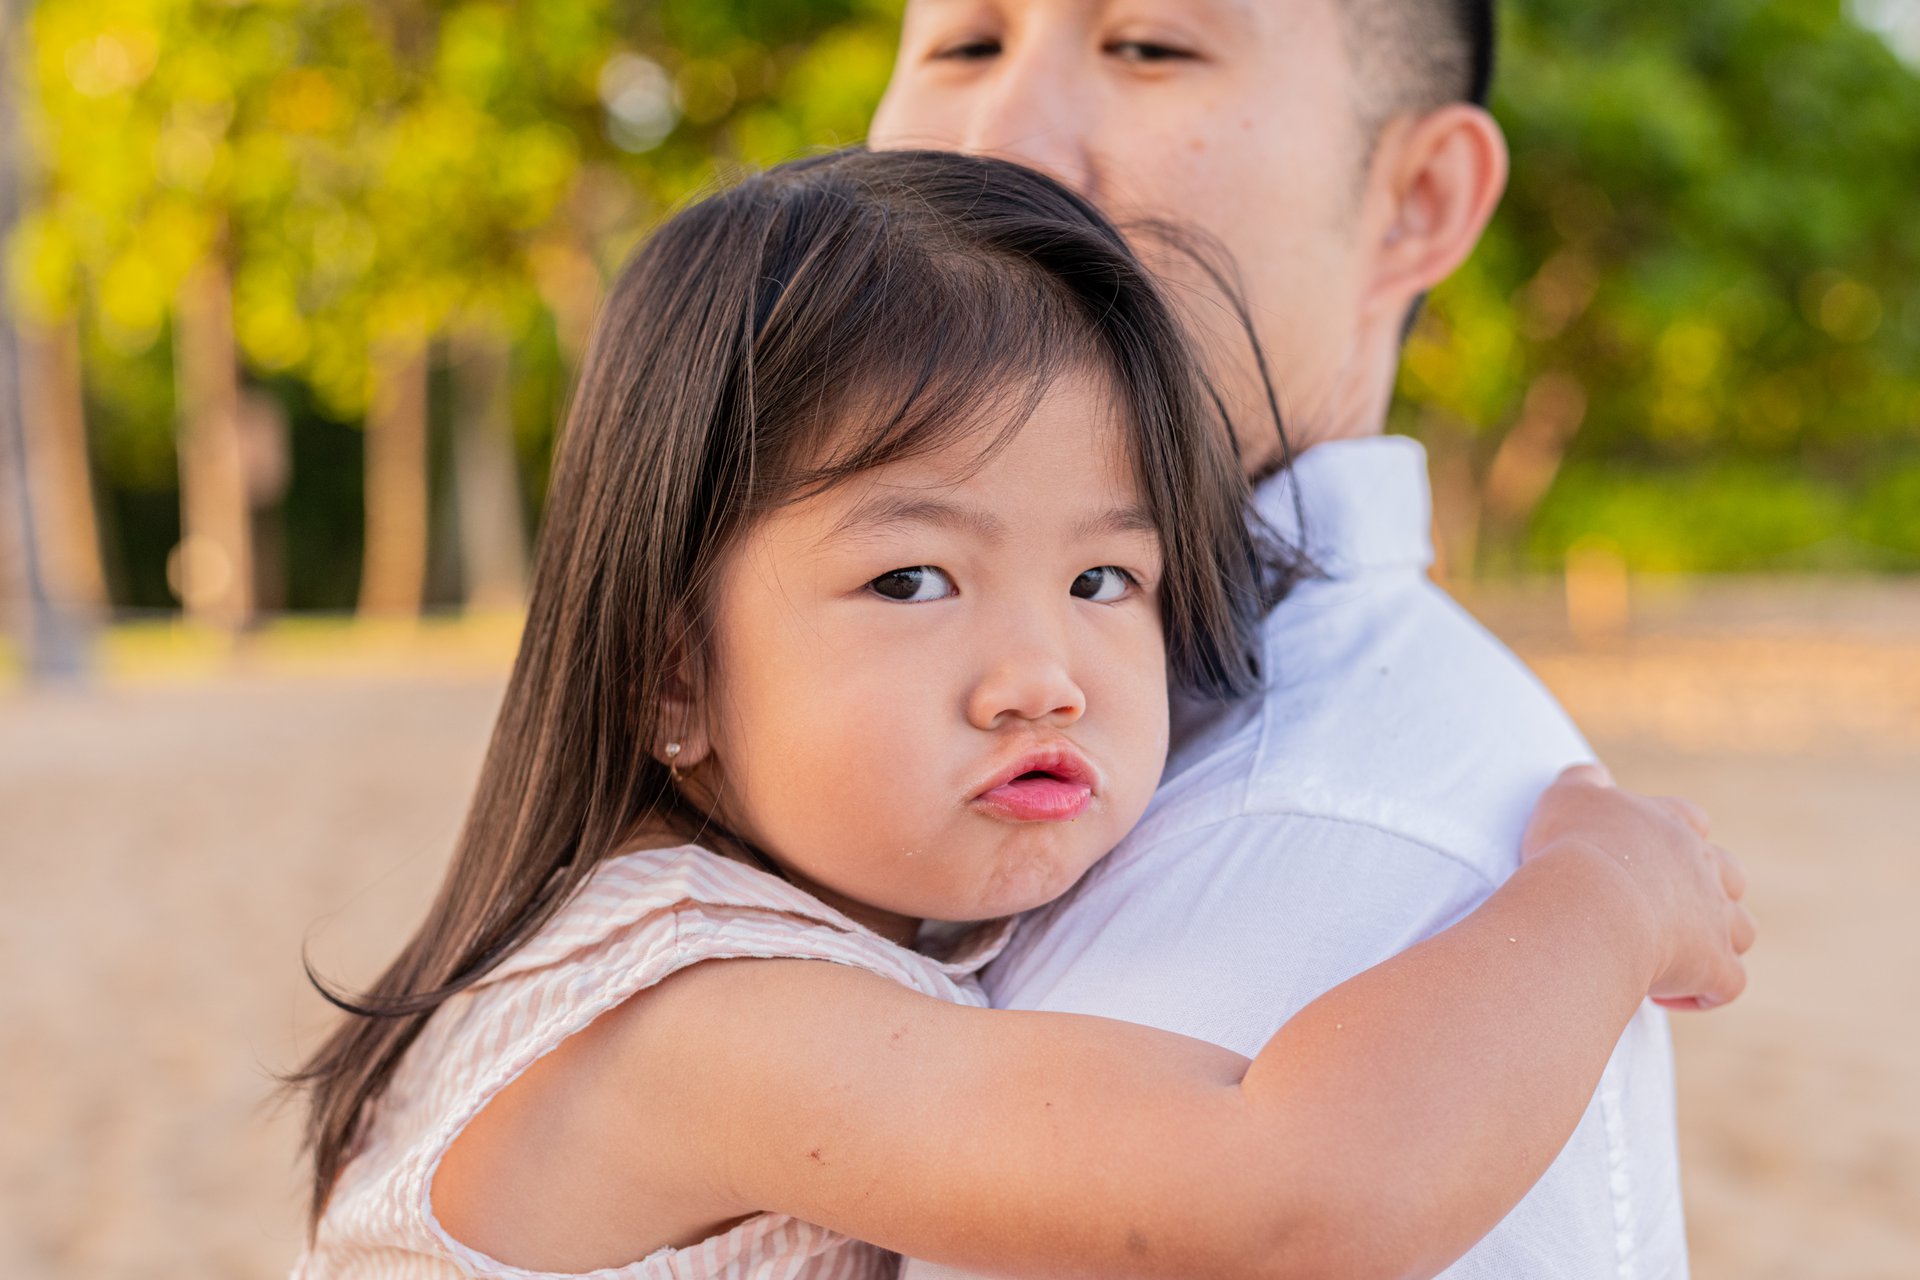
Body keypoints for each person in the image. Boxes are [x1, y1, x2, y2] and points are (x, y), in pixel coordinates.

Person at [287, 149, 1751, 1280]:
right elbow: (1301, 1193)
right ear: (673, 675)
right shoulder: (710, 1025)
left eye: (1105, 578)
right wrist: (1605, 894)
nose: (1043, 675)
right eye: (914, 579)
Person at [868, 2, 1705, 1277]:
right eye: (964, 45)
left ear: (1417, 199)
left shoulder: (1318, 863)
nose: (1002, 139)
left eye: (1148, 45)